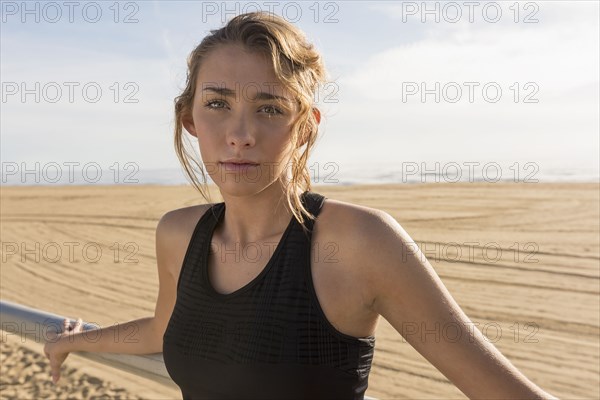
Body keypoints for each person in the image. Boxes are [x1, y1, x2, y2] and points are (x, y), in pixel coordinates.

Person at [44, 11, 560, 400]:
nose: (240, 135)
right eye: (218, 104)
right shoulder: (178, 233)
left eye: (269, 108)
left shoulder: (357, 242)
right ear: (190, 119)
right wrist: (77, 341)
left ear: (307, 123)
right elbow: (164, 329)